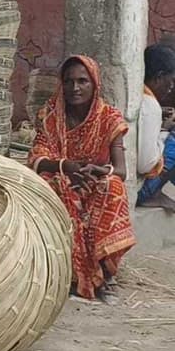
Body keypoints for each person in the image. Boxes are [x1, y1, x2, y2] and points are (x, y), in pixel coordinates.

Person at [28, 55, 135, 301]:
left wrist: (97, 171)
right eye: (69, 81)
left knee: (113, 186)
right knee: (54, 184)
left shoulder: (109, 118)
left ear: (94, 83)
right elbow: (37, 158)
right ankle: (70, 273)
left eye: (82, 81)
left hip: (92, 180)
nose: (74, 88)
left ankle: (105, 273)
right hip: (62, 177)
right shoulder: (51, 115)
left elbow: (121, 170)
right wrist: (65, 167)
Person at [137, 43, 175, 209]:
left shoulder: (139, 95)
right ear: (159, 77)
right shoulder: (150, 106)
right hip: (141, 189)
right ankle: (154, 194)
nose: (171, 87)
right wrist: (164, 131)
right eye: (171, 81)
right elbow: (145, 164)